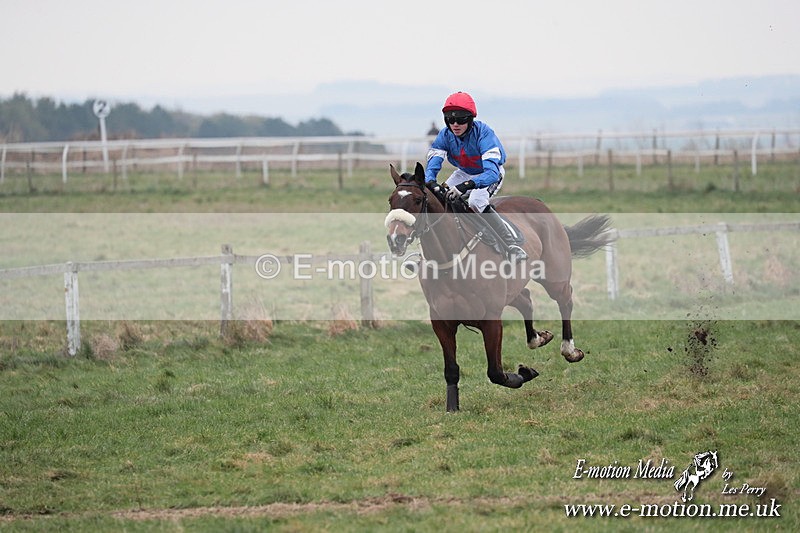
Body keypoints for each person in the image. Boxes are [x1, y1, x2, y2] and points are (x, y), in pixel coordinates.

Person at [424, 91, 527, 262]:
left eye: (461, 119)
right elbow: (434, 162)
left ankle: (511, 244)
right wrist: (431, 182)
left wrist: (466, 186)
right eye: (450, 119)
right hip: (464, 172)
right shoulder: (445, 134)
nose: (455, 124)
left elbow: (492, 173)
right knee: (437, 197)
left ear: (471, 119)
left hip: (489, 174)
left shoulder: (484, 133)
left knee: (476, 201)